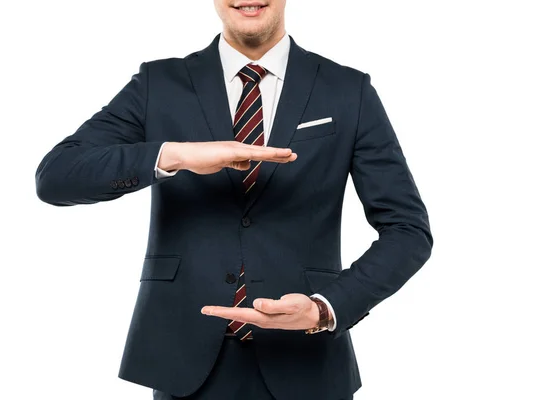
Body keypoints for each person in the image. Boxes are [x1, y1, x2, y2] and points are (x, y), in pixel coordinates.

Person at [35, 1, 433, 399]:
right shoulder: (160, 83)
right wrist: (175, 155)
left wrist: (325, 307)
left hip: (306, 361)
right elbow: (56, 177)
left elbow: (408, 231)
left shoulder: (347, 90)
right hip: (184, 363)